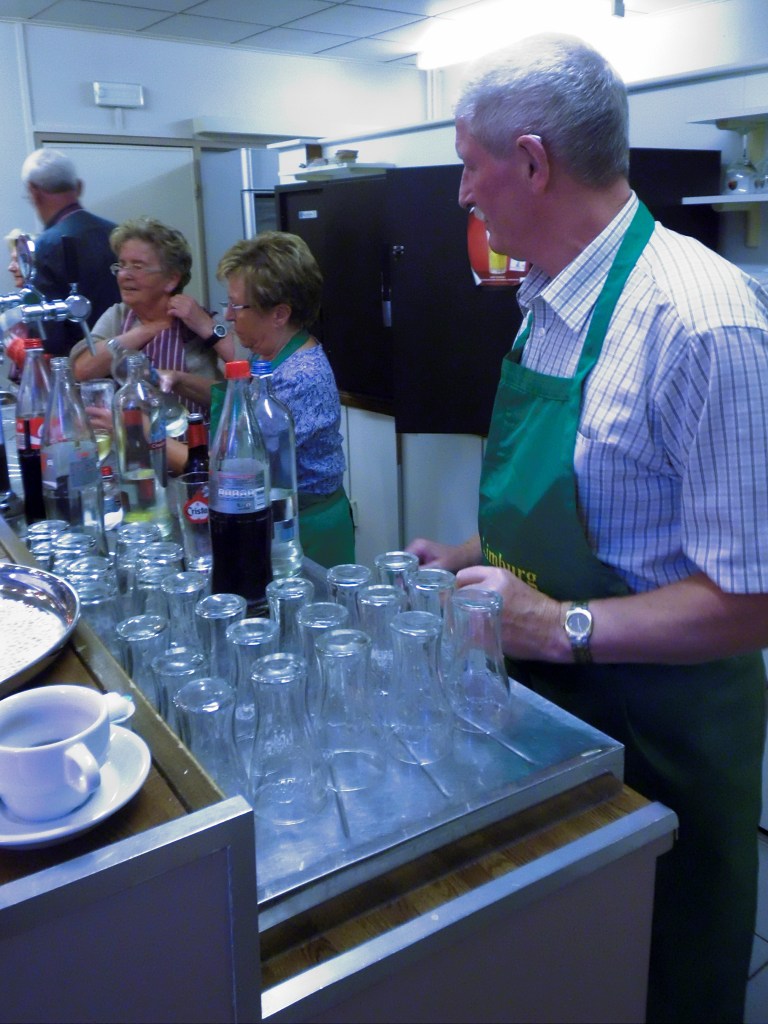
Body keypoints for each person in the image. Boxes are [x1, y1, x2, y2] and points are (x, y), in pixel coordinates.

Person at [407, 33, 768, 1024]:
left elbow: (752, 602)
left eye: (468, 165)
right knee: (565, 972)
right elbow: (600, 509)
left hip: (666, 739)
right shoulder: (545, 300)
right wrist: (465, 560)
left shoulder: (703, 321)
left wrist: (556, 625)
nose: (462, 194)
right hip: (554, 715)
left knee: (660, 978)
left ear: (531, 162)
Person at [215, 232, 354, 568]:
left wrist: (149, 434)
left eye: (237, 306)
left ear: (279, 314)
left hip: (307, 531)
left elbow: (241, 466)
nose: (228, 316)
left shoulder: (299, 375)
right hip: (280, 517)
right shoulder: (267, 356)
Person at [69, 217, 226, 419]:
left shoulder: (195, 320)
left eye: (137, 266)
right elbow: (81, 370)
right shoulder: (118, 315)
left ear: (171, 279)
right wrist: (146, 330)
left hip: (194, 436)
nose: (124, 275)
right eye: (122, 265)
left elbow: (234, 390)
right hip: (132, 436)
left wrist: (207, 328)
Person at [20, 148, 120, 356]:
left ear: (34, 192)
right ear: (79, 186)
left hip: (76, 365)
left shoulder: (45, 247)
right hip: (127, 356)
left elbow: (48, 338)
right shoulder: (118, 233)